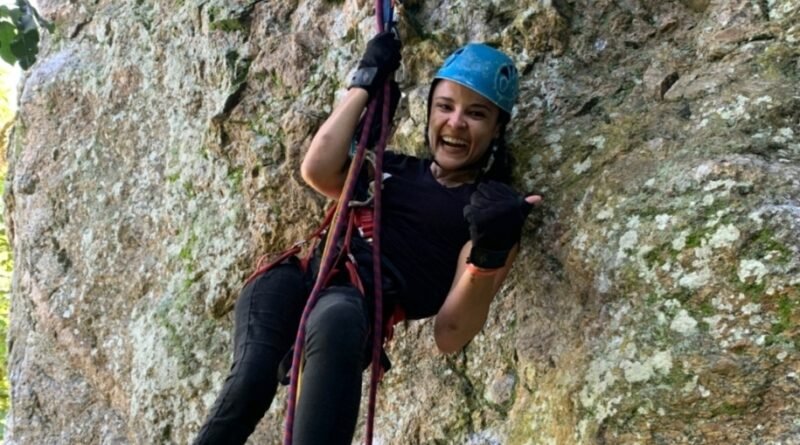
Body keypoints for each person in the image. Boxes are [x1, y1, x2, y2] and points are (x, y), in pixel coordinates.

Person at [192, 32, 542, 445]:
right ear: (430, 111)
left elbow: (450, 333)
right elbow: (317, 169)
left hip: (352, 308)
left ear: (498, 128)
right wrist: (365, 83)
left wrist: (490, 251)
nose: (455, 122)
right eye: (445, 106)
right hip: (296, 280)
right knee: (249, 380)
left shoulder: (487, 214)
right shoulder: (389, 166)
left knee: (337, 317)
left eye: (477, 114)